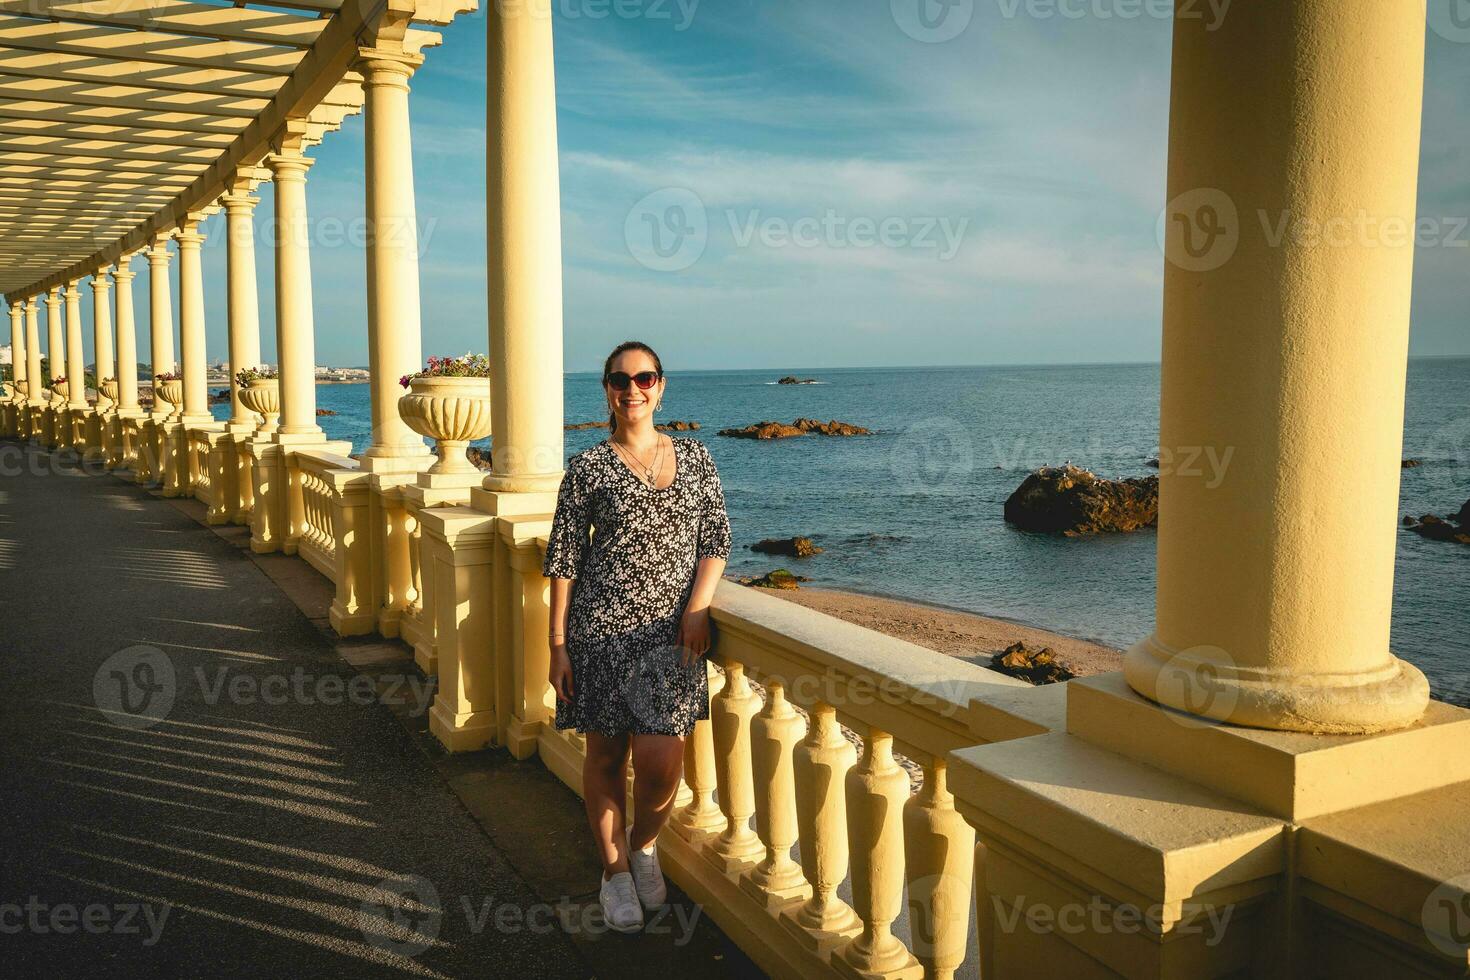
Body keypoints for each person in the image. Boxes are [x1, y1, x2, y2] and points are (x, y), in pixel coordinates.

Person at [542, 340, 732, 933]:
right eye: (620, 380)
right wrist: (557, 644)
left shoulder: (696, 458)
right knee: (604, 756)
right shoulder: (590, 468)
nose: (633, 389)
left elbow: (716, 540)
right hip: (599, 632)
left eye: (644, 378)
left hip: (669, 640)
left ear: (661, 387)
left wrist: (698, 609)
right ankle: (615, 872)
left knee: (659, 766)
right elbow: (564, 559)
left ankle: (644, 846)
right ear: (607, 390)